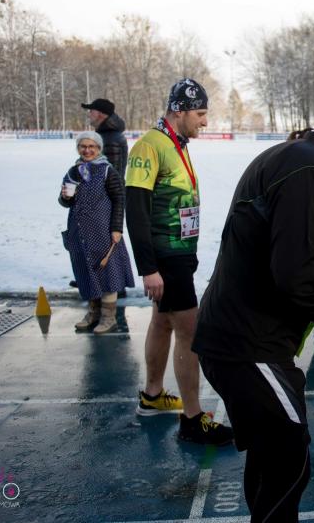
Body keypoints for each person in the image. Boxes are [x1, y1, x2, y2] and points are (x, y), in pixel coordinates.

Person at [193, 122, 314, 521]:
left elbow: (291, 260)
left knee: (269, 454)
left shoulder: (295, 157)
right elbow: (295, 275)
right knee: (289, 458)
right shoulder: (309, 171)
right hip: (249, 343)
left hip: (240, 336)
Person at [125, 78, 233, 445]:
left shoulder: (176, 144)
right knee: (190, 330)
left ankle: (153, 396)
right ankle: (192, 419)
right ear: (180, 110)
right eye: (201, 113)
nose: (204, 121)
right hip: (165, 257)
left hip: (177, 255)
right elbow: (136, 211)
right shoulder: (149, 146)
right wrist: (149, 268)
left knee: (162, 323)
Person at [59, 131, 134, 333]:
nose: (87, 150)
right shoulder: (73, 171)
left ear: (99, 149)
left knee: (107, 272)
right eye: (83, 146)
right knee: (86, 271)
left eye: (92, 146)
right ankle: (93, 313)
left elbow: (120, 199)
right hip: (80, 231)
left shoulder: (108, 171)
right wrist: (65, 197)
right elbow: (65, 201)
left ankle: (108, 318)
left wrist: (117, 228)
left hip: (103, 230)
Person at [81, 98, 128, 178]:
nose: (89, 114)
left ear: (101, 114)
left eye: (91, 111)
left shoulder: (111, 139)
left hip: (105, 190)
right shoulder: (104, 135)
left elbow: (112, 177)